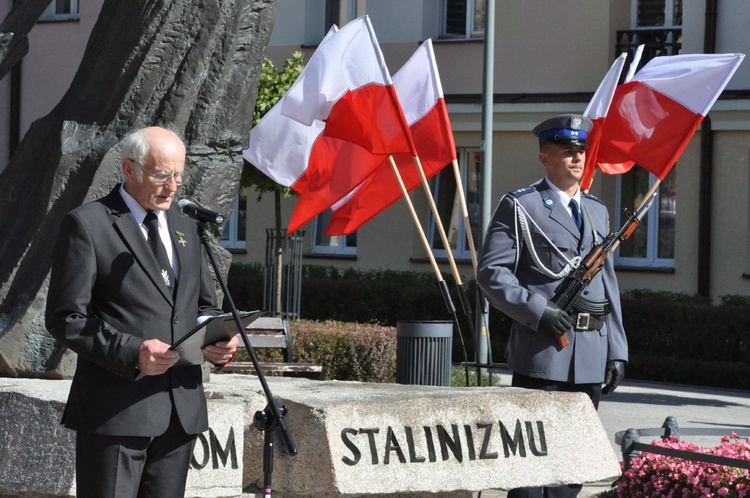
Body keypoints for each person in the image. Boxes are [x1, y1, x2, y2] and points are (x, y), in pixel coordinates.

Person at [46, 126, 239, 498]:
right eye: (162, 174)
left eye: (178, 175)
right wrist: (132, 352)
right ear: (130, 169)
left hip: (179, 412)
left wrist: (216, 340)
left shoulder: (187, 226)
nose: (173, 186)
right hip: (116, 413)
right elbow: (66, 318)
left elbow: (202, 305)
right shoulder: (89, 224)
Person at [477, 114, 628, 498]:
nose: (577, 159)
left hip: (591, 355)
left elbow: (608, 284)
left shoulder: (597, 210)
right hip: (543, 351)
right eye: (567, 152)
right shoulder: (521, 205)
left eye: (581, 151)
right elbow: (492, 273)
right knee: (529, 469)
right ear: (545, 158)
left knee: (571, 468)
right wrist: (538, 310)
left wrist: (616, 350)